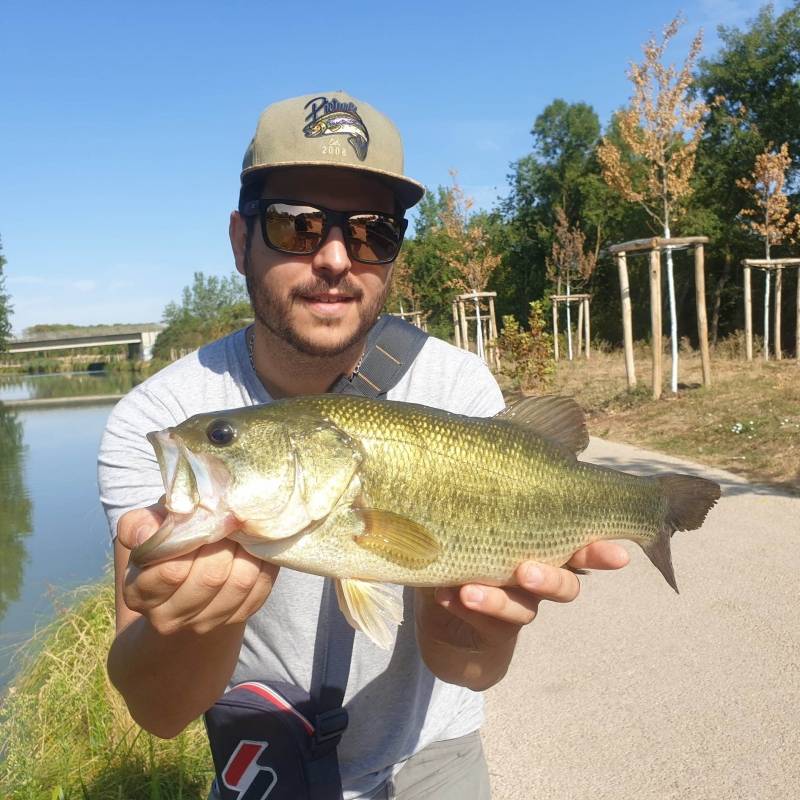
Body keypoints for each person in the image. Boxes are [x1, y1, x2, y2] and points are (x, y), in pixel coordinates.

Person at [99, 91, 629, 800]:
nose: (337, 258)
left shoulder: (456, 384)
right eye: (298, 226)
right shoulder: (163, 416)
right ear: (239, 239)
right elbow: (158, 713)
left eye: (374, 232)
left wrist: (471, 622)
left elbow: (468, 672)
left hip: (431, 764)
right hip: (262, 769)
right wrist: (188, 626)